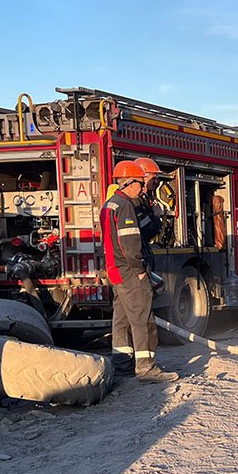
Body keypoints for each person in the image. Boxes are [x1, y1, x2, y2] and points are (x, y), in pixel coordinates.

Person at [99, 160, 178, 383]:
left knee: (121, 320)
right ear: (131, 182)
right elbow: (131, 243)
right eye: (141, 184)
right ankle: (146, 368)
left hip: (115, 271)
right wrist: (140, 269)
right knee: (143, 320)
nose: (143, 188)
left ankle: (122, 364)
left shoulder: (109, 204)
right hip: (130, 272)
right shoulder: (125, 205)